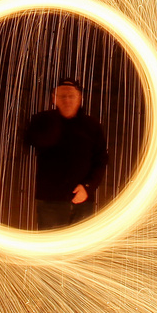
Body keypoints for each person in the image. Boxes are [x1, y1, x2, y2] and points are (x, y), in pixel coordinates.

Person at [21, 77, 107, 231]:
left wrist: (88, 187)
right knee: (49, 249)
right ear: (54, 98)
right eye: (62, 96)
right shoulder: (42, 120)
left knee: (79, 251)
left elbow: (100, 161)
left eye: (71, 96)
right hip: (50, 202)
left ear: (80, 98)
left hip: (83, 202)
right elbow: (28, 142)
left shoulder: (92, 126)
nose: (67, 100)